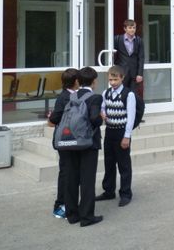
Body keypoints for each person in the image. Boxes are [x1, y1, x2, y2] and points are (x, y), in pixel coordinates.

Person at [49, 66, 104, 227]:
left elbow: (57, 118)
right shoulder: (95, 98)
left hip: (69, 141)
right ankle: (87, 217)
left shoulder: (70, 96)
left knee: (71, 178)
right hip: (87, 144)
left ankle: (72, 215)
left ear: (78, 81)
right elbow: (94, 119)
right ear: (94, 81)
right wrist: (101, 117)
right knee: (87, 180)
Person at [96, 65, 136, 207]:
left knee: (124, 164)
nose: (112, 82)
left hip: (121, 132)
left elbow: (131, 117)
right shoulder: (106, 93)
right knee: (109, 162)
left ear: (122, 78)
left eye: (115, 79)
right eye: (110, 80)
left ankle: (125, 193)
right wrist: (102, 113)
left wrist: (127, 136)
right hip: (109, 131)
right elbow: (102, 107)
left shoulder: (128, 94)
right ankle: (109, 191)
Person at [49, 68, 80, 219]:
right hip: (65, 140)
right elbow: (55, 118)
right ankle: (60, 205)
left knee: (70, 172)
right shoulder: (64, 97)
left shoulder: (72, 95)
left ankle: (68, 203)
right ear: (75, 81)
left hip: (71, 140)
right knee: (66, 173)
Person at [113, 19, 145, 94]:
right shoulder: (117, 39)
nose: (132, 30)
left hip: (134, 73)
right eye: (130, 28)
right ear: (125, 28)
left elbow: (141, 58)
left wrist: (140, 74)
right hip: (121, 73)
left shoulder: (139, 40)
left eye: (134, 28)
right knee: (121, 93)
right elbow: (113, 54)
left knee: (132, 94)